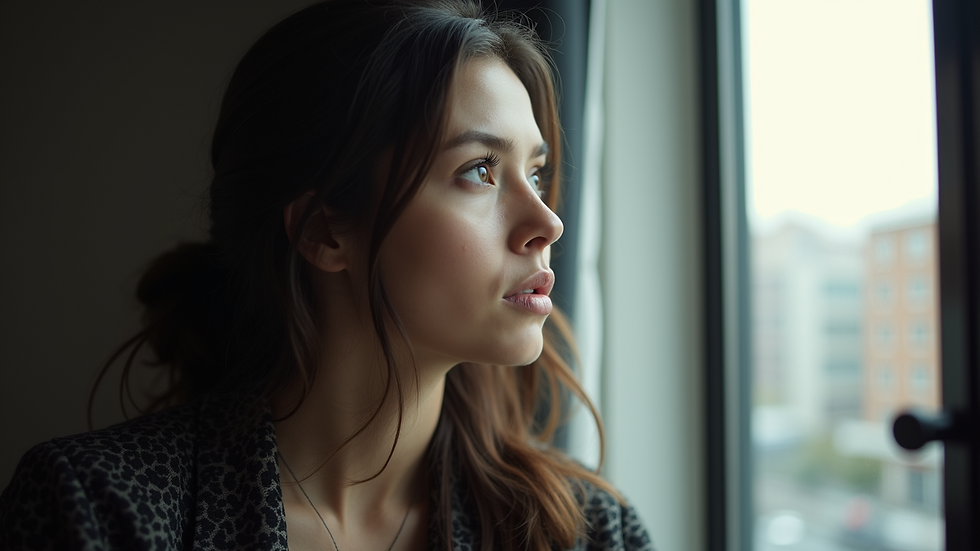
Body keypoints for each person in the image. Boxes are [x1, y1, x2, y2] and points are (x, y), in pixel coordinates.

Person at [0, 1, 654, 549]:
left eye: (535, 173)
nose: (547, 221)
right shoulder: (99, 512)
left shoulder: (583, 532)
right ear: (323, 230)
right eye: (479, 170)